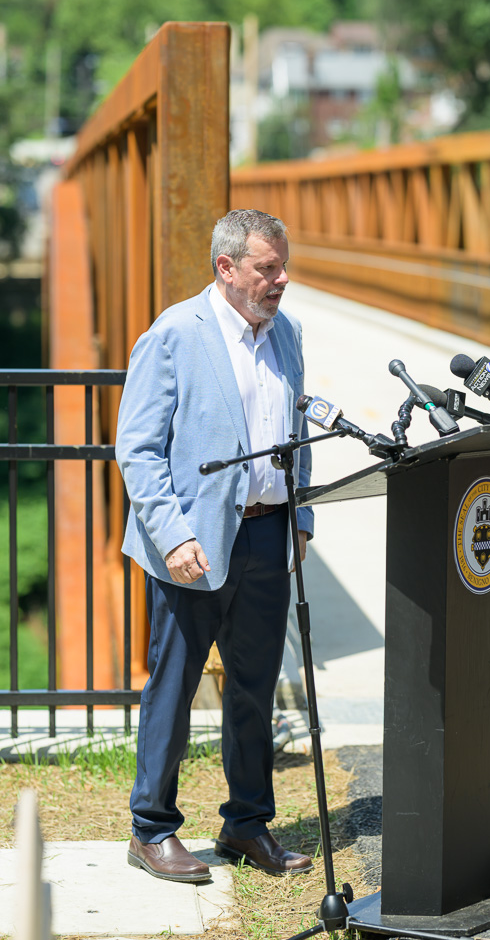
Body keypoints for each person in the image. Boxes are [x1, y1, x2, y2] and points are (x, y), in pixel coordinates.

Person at [115, 209, 314, 881]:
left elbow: (297, 431)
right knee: (174, 688)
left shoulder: (286, 332)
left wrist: (302, 520)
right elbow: (138, 451)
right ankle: (151, 829)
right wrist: (172, 535)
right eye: (267, 268)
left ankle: (247, 824)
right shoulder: (174, 334)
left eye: (283, 267)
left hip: (268, 532)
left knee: (255, 689)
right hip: (191, 545)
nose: (280, 280)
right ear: (226, 267)